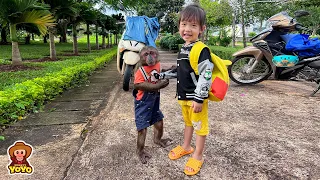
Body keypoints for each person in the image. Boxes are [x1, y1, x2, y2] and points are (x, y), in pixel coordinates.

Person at [168, 4, 214, 176]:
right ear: (179, 25)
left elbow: (206, 75)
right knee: (188, 123)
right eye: (184, 24)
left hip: (195, 99)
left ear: (202, 29)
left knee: (200, 127)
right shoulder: (184, 48)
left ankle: (198, 155)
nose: (187, 29)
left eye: (193, 25)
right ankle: (186, 147)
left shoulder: (201, 50)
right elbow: (181, 71)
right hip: (184, 97)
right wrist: (162, 76)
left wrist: (199, 98)